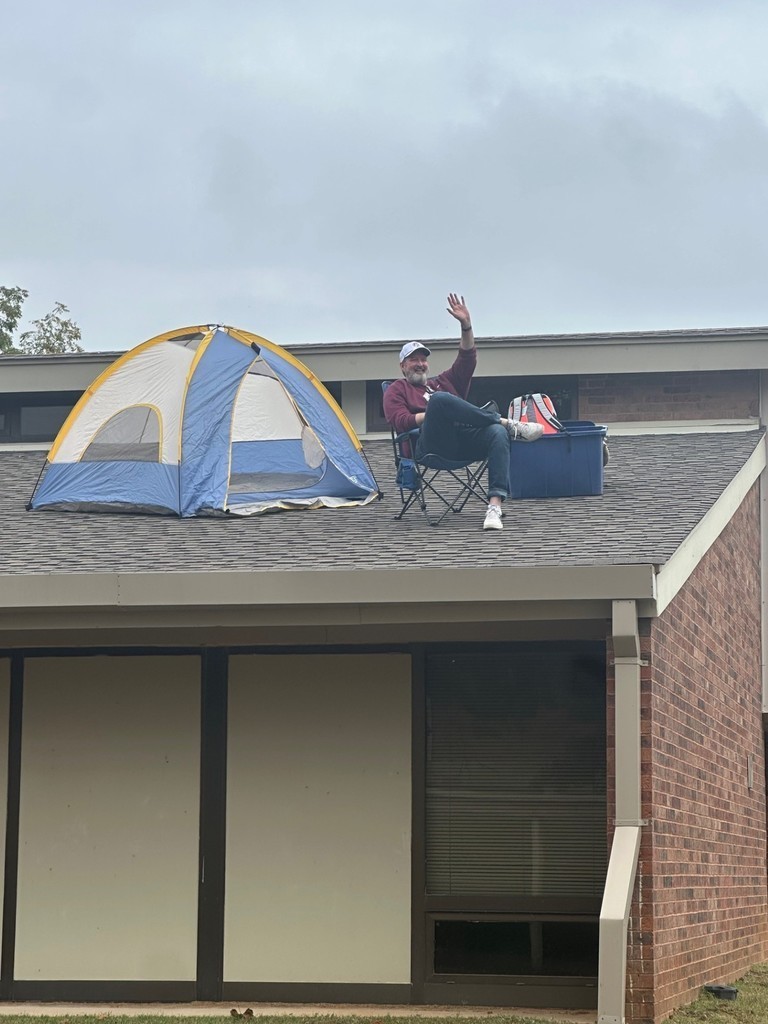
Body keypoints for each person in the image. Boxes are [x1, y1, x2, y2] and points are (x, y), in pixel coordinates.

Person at [383, 294, 543, 531]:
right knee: (439, 401)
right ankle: (509, 423)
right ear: (402, 366)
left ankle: (494, 507)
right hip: (429, 447)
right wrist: (436, 413)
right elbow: (400, 421)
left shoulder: (442, 382)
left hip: (463, 443)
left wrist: (466, 326)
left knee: (496, 433)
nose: (420, 363)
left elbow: (467, 359)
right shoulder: (397, 389)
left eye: (423, 360)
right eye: (413, 359)